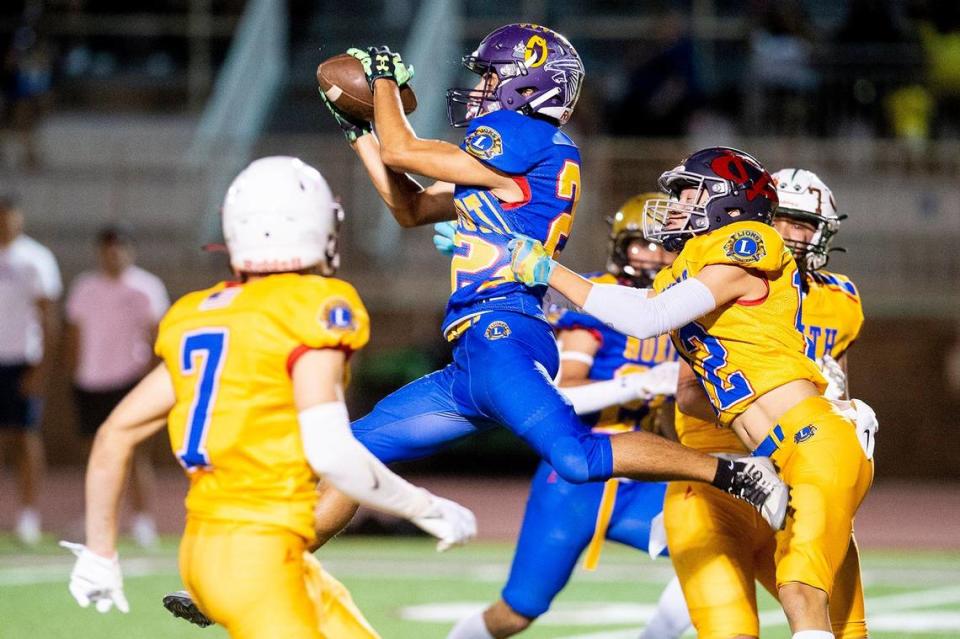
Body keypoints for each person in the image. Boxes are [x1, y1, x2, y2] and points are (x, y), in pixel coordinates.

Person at [310, 24, 787, 545]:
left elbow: (402, 151)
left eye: (492, 76)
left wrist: (379, 82)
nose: (483, 87)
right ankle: (274, 558)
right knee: (346, 453)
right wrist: (360, 134)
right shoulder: (513, 158)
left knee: (575, 458)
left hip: (505, 330)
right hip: (473, 351)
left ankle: (731, 471)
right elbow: (412, 207)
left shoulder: (527, 136)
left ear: (527, 84)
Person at [61, 157, 477, 639]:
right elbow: (331, 451)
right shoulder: (314, 307)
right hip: (258, 555)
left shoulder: (198, 314)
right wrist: (423, 507)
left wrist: (99, 551)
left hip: (213, 548)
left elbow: (115, 433)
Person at [508, 147, 874, 638]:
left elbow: (645, 317)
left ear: (731, 202)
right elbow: (634, 302)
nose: (676, 205)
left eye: (689, 193)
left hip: (810, 443)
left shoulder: (751, 240)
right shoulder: (689, 267)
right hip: (768, 459)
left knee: (805, 597)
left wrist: (549, 270)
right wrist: (517, 273)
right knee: (800, 606)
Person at [444, 194, 688, 639]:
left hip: (642, 477)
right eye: (642, 244)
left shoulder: (684, 309)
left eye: (662, 244)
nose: (653, 255)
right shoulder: (599, 300)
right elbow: (564, 394)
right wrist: (641, 385)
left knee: (713, 550)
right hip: (578, 479)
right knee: (517, 612)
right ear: (620, 245)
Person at [652, 167, 874, 639]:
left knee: (846, 629)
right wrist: (771, 420)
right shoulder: (726, 273)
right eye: (784, 220)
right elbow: (691, 396)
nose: (793, 234)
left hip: (795, 476)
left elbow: (834, 388)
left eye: (805, 224)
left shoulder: (841, 300)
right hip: (721, 486)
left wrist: (839, 414)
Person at [65, 225, 170, 548]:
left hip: (129, 381)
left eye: (120, 247)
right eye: (108, 248)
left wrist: (150, 381)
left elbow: (159, 337)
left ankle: (141, 521)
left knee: (136, 454)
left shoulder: (146, 288)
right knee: (93, 453)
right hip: (90, 381)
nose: (114, 254)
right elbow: (75, 335)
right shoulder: (85, 288)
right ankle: (95, 521)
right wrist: (74, 373)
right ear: (100, 252)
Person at [0, 194, 61, 545]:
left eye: (10, 215)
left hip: (22, 359)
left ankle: (28, 515)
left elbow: (47, 316)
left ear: (19, 218)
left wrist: (40, 369)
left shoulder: (35, 259)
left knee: (25, 438)